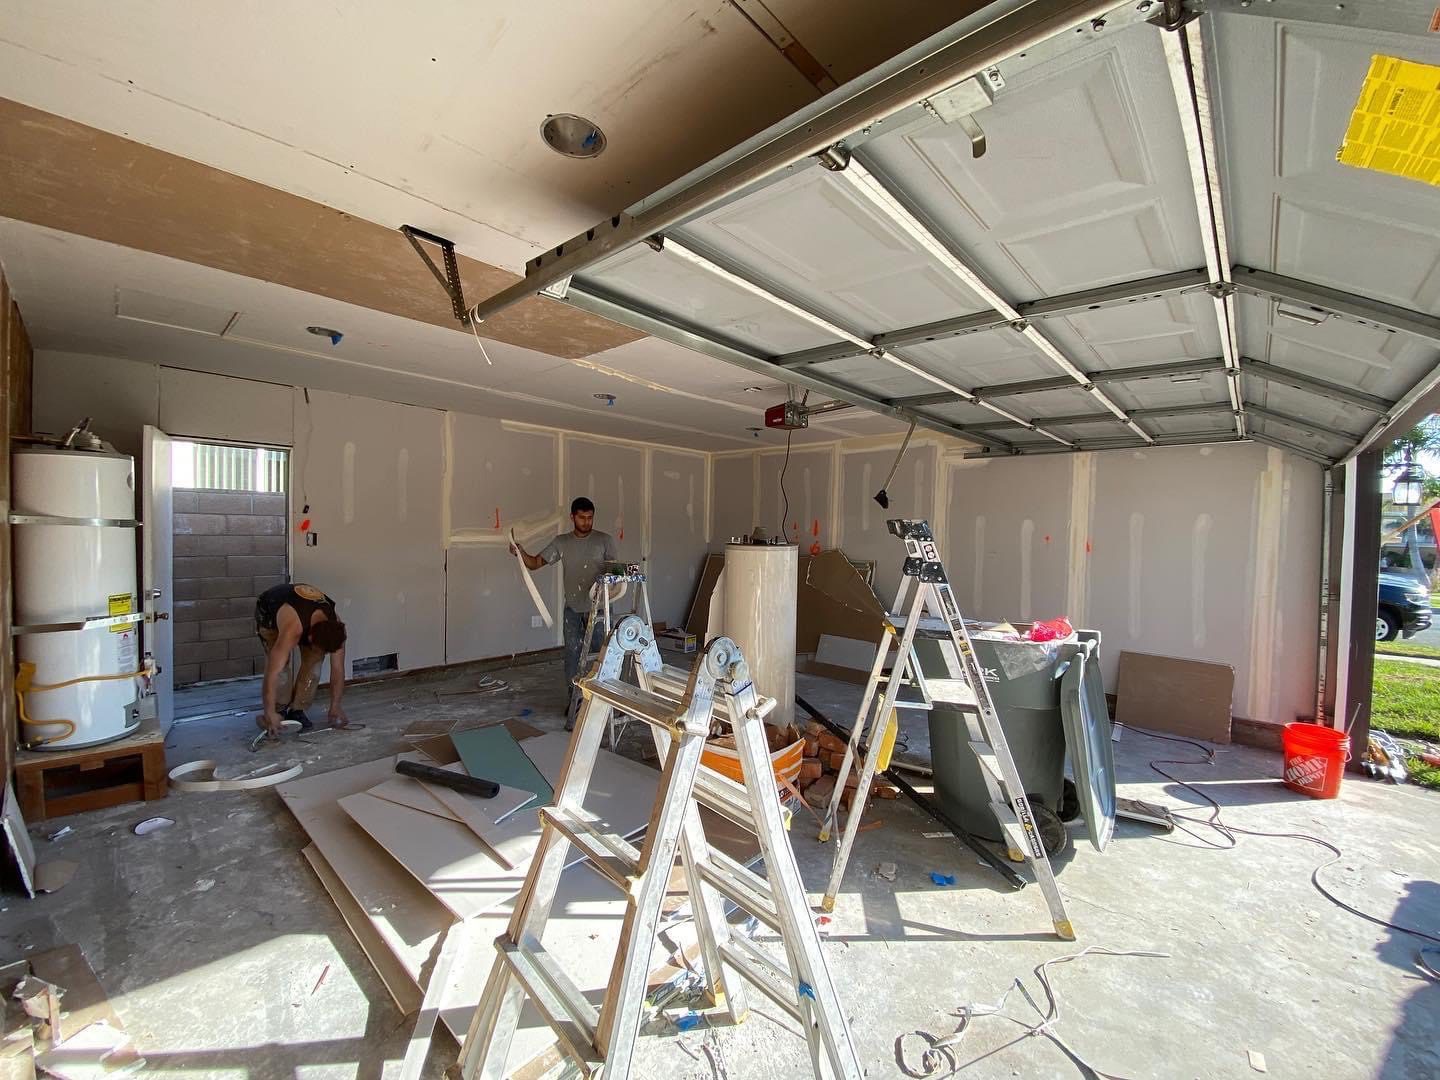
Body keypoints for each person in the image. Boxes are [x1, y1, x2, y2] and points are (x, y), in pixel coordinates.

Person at [510, 497, 617, 726]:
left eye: (590, 518)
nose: (586, 522)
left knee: (602, 656)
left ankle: (602, 703)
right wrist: (520, 552)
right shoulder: (562, 542)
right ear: (572, 517)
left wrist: (612, 582)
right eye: (582, 518)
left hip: (600, 610)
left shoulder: (604, 541)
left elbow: (615, 573)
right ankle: (575, 701)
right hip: (573, 610)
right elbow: (535, 563)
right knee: (572, 656)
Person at [254, 582, 349, 739]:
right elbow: (272, 673)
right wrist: (269, 712)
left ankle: (298, 709)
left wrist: (335, 706)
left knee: (315, 663)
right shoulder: (293, 629)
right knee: (281, 667)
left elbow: (338, 669)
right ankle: (279, 709)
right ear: (310, 638)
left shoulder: (336, 628)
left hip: (302, 613)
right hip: (270, 610)